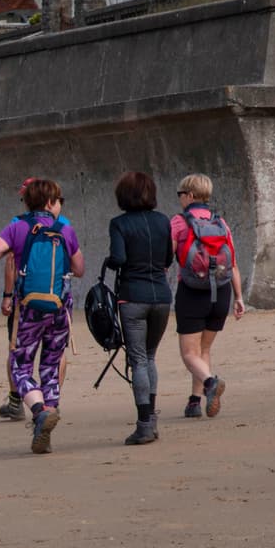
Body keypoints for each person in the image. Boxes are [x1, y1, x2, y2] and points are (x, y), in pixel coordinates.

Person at [0, 179, 85, 454]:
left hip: (28, 309)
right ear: (50, 202)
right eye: (59, 200)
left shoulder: (18, 226)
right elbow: (80, 269)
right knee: (51, 364)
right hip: (60, 308)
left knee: (20, 364)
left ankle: (38, 411)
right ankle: (49, 412)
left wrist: (11, 248)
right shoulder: (65, 230)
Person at [105, 171, 174, 445]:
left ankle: (144, 423)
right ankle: (152, 420)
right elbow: (169, 257)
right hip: (162, 296)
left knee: (138, 360)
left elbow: (119, 258)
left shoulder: (119, 224)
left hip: (133, 296)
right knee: (150, 356)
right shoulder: (162, 221)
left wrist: (111, 261)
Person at [171, 173, 244, 419]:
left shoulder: (179, 222)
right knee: (204, 349)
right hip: (220, 292)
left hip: (192, 292)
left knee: (188, 353)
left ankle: (211, 383)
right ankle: (194, 402)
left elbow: (166, 259)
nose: (179, 199)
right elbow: (232, 263)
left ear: (190, 195)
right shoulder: (221, 223)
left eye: (180, 194)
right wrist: (239, 297)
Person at [0, 178, 70, 423]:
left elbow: (10, 263)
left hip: (26, 301)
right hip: (58, 301)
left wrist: (7, 295)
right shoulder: (64, 226)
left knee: (19, 352)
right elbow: (76, 266)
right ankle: (51, 402)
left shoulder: (18, 224)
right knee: (56, 352)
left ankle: (19, 400)